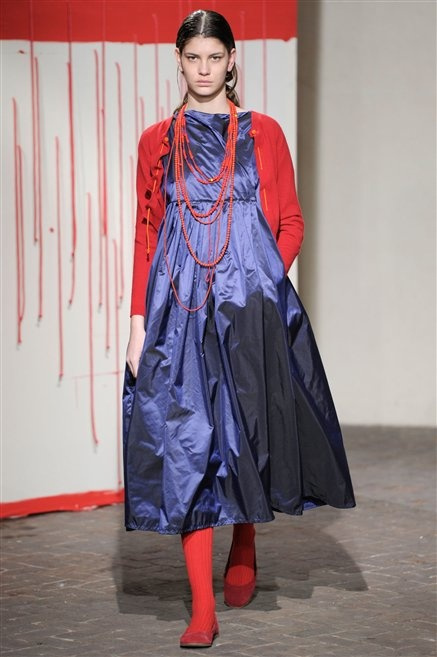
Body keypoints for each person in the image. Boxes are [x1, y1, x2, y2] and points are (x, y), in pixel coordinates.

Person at [123, 9, 355, 650]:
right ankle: (202, 609)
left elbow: (291, 221)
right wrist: (137, 321)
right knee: (187, 444)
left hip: (248, 308)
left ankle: (245, 537)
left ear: (231, 61)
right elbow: (146, 233)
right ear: (179, 61)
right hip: (178, 308)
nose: (203, 69)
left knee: (248, 432)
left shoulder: (264, 133)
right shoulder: (156, 141)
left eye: (214, 57)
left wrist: (260, 284)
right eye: (192, 57)